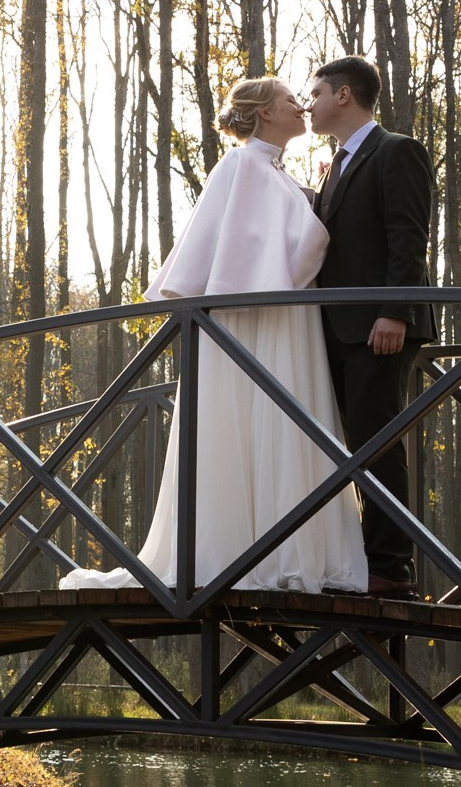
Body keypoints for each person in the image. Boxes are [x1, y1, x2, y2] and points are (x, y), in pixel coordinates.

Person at [64, 75, 367, 594]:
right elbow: (257, 259)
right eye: (290, 100)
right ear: (265, 113)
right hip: (257, 324)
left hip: (288, 320)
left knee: (287, 422)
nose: (301, 106)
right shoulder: (242, 164)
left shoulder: (272, 171)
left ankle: (288, 545)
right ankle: (247, 550)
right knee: (259, 420)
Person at [305, 54, 436, 597]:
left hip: (379, 325)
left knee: (376, 443)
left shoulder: (396, 151)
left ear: (344, 95)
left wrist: (394, 310)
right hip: (336, 328)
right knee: (354, 445)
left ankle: (390, 567)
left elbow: (408, 236)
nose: (309, 105)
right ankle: (359, 557)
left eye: (315, 94)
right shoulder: (335, 166)